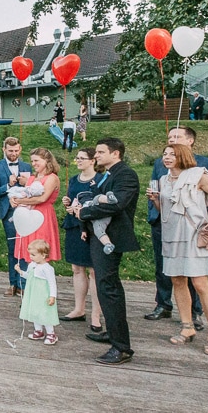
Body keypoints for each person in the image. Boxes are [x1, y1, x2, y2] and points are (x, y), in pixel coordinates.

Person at [147, 144, 208, 353]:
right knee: (177, 280)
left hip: (194, 235)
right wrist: (157, 201)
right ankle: (187, 327)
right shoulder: (162, 180)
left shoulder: (198, 176)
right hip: (172, 236)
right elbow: (167, 212)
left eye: (172, 154)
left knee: (200, 283)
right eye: (164, 154)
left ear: (183, 156)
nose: (167, 158)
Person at [76, 137, 140, 365]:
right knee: (105, 287)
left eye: (101, 152)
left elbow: (117, 203)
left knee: (108, 287)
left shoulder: (126, 175)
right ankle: (113, 333)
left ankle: (121, 347)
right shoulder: (109, 175)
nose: (97, 156)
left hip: (111, 238)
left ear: (116, 154)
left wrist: (84, 213)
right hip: (99, 236)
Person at [60, 147, 102, 330]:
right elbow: (72, 199)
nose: (78, 161)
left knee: (94, 271)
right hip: (74, 226)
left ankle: (96, 314)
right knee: (77, 268)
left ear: (93, 160)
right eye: (77, 158)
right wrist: (67, 204)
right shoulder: (73, 179)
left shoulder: (100, 180)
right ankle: (79, 309)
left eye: (82, 158)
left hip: (93, 228)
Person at [0, 137, 33, 296]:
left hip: (26, 210)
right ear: (4, 150)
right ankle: (12, 283)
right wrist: (8, 185)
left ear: (20, 150)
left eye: (16, 151)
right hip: (8, 211)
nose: (13, 154)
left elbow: (34, 189)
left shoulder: (27, 166)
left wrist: (26, 182)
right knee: (13, 247)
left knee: (25, 246)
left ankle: (23, 282)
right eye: (10, 151)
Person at [11, 148, 62, 264]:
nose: (33, 164)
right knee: (30, 253)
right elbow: (26, 196)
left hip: (43, 215)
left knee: (41, 252)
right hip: (28, 216)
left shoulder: (52, 178)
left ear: (47, 161)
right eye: (32, 161)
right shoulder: (32, 178)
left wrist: (20, 200)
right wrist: (14, 199)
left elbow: (42, 198)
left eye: (36, 161)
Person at [16, 239, 60, 345]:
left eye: (33, 255)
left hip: (43, 295)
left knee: (45, 312)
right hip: (34, 293)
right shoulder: (32, 265)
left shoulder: (47, 268)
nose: (31, 257)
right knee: (35, 311)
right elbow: (28, 275)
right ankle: (38, 330)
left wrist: (52, 296)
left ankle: (51, 334)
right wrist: (20, 272)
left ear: (43, 255)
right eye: (30, 254)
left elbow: (52, 283)